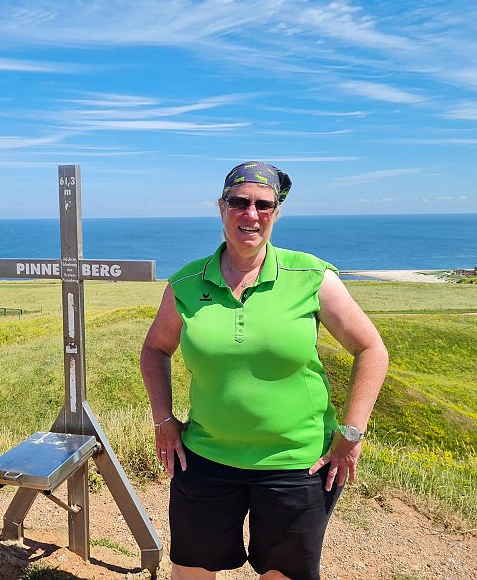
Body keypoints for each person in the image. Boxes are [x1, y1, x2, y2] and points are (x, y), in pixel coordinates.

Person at [141, 161, 388, 580]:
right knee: (191, 570)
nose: (251, 214)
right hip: (206, 458)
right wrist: (163, 420)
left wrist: (351, 432)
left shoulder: (311, 276)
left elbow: (371, 349)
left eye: (263, 205)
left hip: (298, 464)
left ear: (276, 212)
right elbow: (155, 349)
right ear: (221, 208)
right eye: (239, 202)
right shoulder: (186, 283)